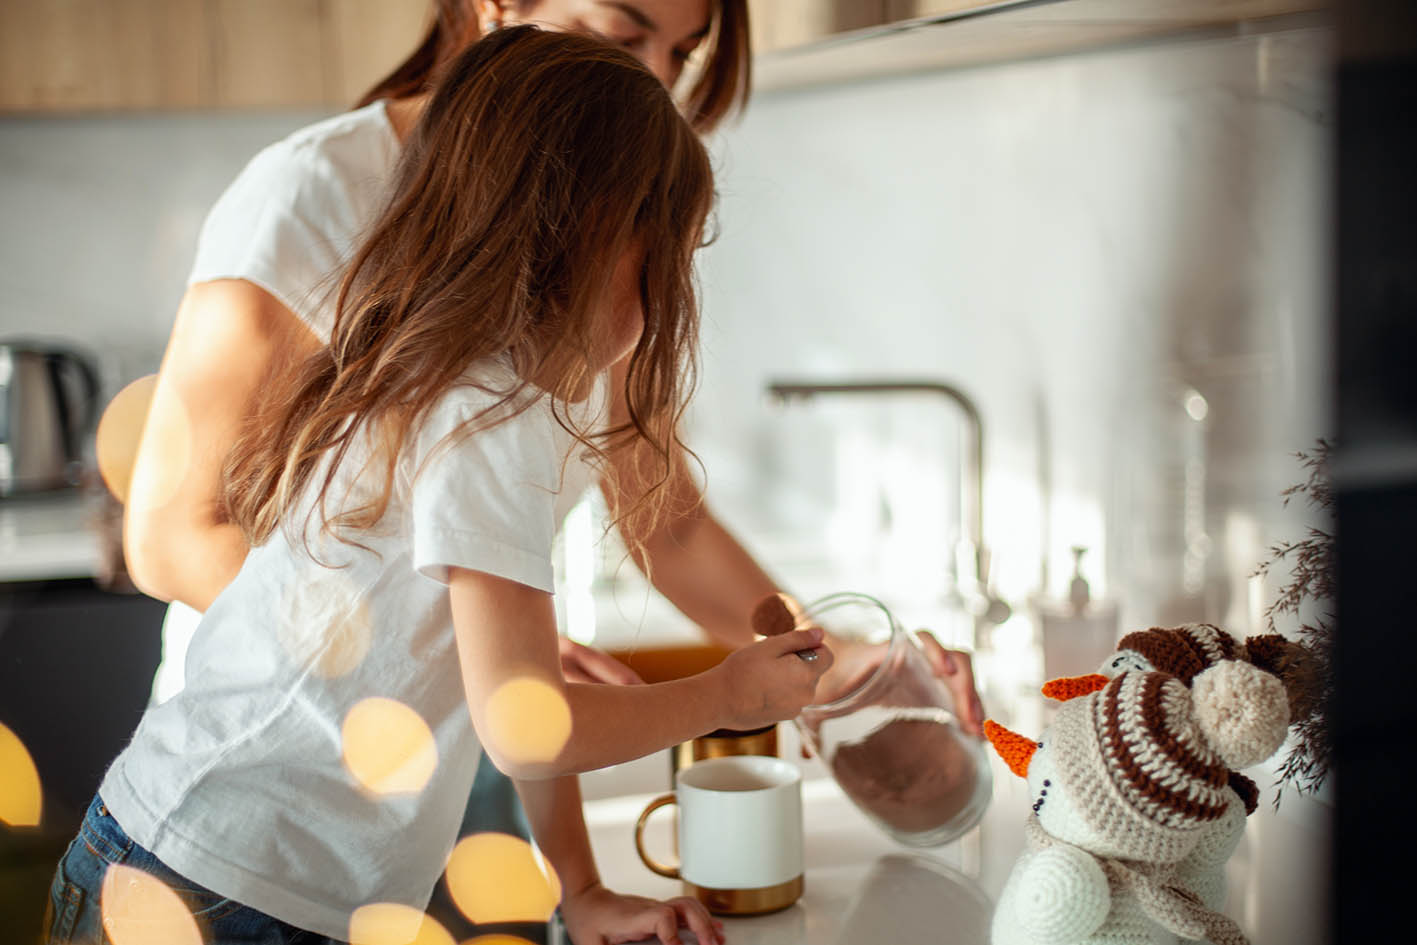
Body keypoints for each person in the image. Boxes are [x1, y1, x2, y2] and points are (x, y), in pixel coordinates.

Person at [45, 27, 834, 945]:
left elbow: (512, 698)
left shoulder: (443, 377)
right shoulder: (492, 417)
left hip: (181, 860)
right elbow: (527, 726)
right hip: (224, 894)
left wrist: (577, 886)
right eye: (665, 255)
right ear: (593, 235)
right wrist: (725, 696)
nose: (669, 296)